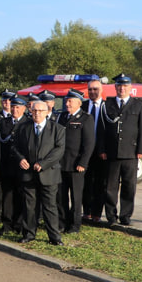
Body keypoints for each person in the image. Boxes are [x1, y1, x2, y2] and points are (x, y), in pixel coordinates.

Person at [14, 100, 65, 245]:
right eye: (34, 110)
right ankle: (29, 234)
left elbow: (59, 151)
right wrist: (20, 158)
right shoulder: (23, 128)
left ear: (47, 112)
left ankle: (54, 237)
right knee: (29, 206)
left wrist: (43, 164)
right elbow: (15, 147)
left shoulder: (57, 129)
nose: (37, 113)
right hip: (28, 174)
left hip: (48, 174)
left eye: (40, 111)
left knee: (50, 206)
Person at [100, 74, 142, 226]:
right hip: (112, 152)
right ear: (115, 87)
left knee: (129, 186)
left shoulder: (139, 104)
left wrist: (141, 149)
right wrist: (102, 149)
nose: (122, 88)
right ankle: (111, 216)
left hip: (131, 152)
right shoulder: (107, 104)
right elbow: (101, 129)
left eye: (125, 86)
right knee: (110, 186)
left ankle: (126, 215)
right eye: (119, 86)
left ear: (130, 88)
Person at [57, 89, 95, 234]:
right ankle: (62, 222)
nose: (67, 104)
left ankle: (74, 225)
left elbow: (89, 143)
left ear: (79, 103)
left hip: (76, 165)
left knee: (76, 197)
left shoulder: (86, 118)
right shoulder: (62, 116)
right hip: (61, 163)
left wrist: (83, 163)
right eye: (66, 101)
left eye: (70, 101)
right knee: (61, 196)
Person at [0, 96, 29, 234]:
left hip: (21, 165)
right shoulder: (3, 123)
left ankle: (19, 223)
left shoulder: (27, 123)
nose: (15, 110)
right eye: (13, 107)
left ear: (24, 108)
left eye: (18, 107)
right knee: (7, 196)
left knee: (20, 195)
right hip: (7, 165)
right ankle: (7, 223)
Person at [81, 77, 106, 223]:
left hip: (101, 152)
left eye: (95, 89)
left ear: (101, 90)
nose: (92, 92)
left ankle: (97, 213)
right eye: (90, 89)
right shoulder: (83, 107)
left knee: (100, 184)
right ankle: (87, 211)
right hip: (85, 153)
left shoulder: (107, 106)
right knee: (86, 183)